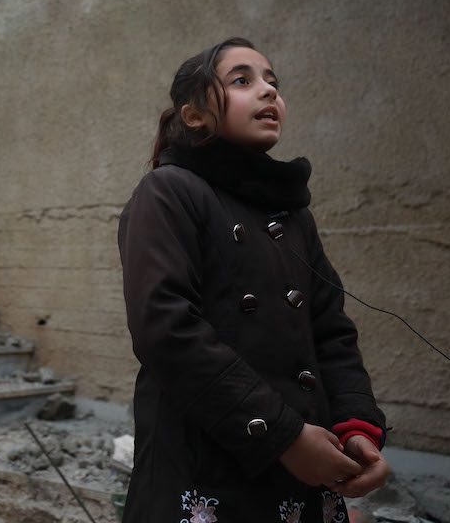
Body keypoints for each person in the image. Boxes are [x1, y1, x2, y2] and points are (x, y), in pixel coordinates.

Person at [118, 38, 389, 523]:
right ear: (195, 114)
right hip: (207, 463)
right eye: (242, 80)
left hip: (306, 464)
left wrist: (357, 428)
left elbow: (330, 331)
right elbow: (165, 328)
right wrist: (281, 435)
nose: (268, 92)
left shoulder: (290, 215)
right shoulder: (168, 192)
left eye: (273, 82)